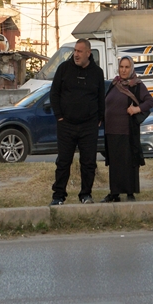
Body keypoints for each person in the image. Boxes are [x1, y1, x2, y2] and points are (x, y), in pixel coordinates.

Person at [49, 38, 105, 205]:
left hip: (89, 126)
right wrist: (59, 116)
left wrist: (99, 118)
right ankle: (58, 196)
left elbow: (101, 98)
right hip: (66, 124)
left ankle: (86, 194)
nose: (76, 54)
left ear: (88, 53)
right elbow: (54, 94)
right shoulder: (64, 69)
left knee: (88, 162)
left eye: (80, 51)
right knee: (63, 161)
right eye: (75, 51)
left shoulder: (97, 73)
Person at [102, 56, 153, 202]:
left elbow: (150, 101)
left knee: (128, 161)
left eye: (126, 67)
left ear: (131, 68)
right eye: (121, 67)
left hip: (127, 130)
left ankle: (130, 192)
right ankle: (114, 193)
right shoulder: (114, 83)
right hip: (111, 130)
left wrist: (137, 109)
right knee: (114, 163)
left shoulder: (136, 85)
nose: (123, 70)